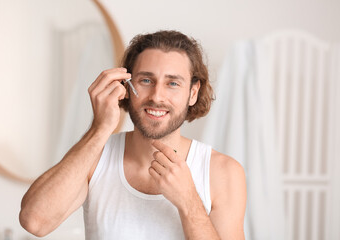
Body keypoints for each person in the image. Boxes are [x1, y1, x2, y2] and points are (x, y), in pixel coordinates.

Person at [19, 30, 247, 240]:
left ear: (193, 93)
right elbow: (34, 221)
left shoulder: (222, 172)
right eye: (146, 80)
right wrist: (100, 128)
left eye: (173, 83)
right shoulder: (96, 157)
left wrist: (188, 200)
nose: (157, 96)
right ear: (127, 87)